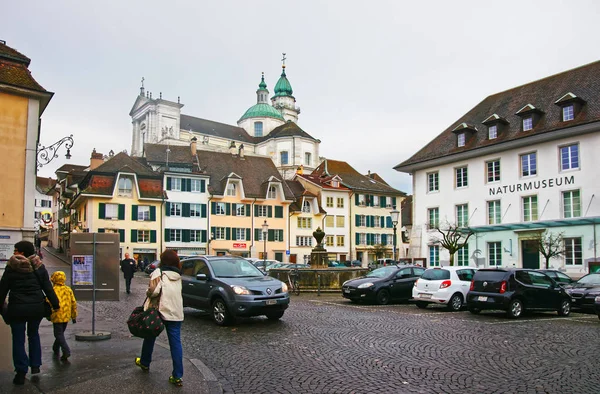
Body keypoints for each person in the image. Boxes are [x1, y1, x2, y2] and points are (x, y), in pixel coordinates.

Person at [0, 240, 60, 385]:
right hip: (36, 308)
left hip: (17, 309)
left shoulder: (11, 268)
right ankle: (35, 365)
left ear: (22, 252)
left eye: (16, 250)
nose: (14, 253)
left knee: (18, 339)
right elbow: (48, 288)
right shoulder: (39, 267)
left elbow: (2, 290)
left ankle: (21, 371)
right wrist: (55, 304)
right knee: (33, 335)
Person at [135, 249, 184, 386]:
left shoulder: (159, 272)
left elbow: (153, 291)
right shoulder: (178, 275)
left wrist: (147, 291)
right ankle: (177, 375)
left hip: (159, 311)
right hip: (176, 312)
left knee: (149, 336)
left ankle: (145, 362)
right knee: (176, 344)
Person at [49, 271, 77, 361]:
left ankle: (66, 351)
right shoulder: (68, 289)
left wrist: (47, 314)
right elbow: (73, 303)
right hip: (66, 315)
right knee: (60, 333)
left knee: (58, 334)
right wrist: (73, 315)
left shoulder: (52, 290)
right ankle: (55, 347)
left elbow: (48, 302)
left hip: (56, 314)